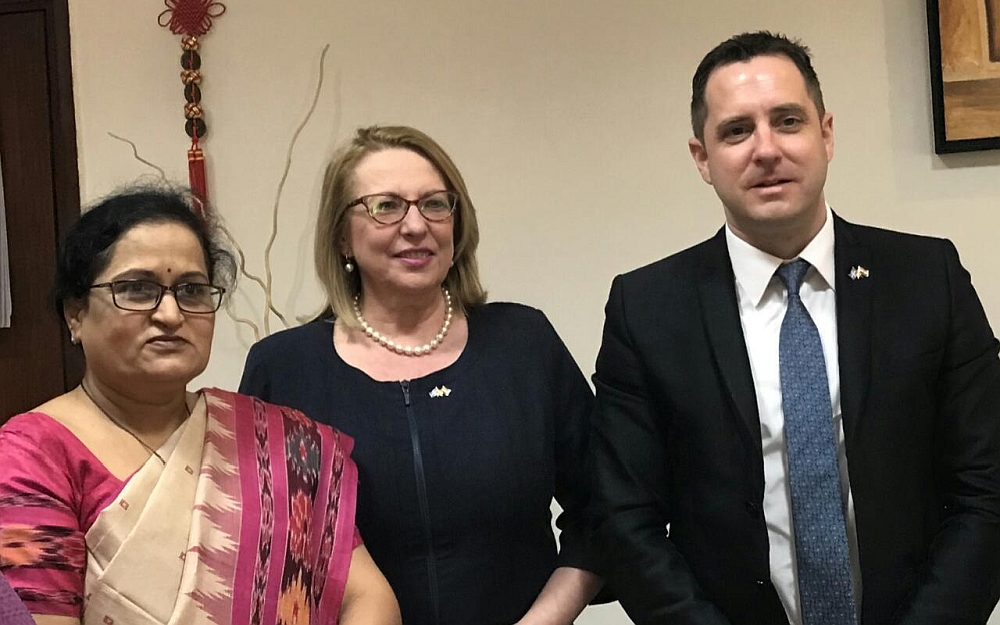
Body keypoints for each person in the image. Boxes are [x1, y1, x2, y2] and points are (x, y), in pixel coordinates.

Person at [590, 31, 1000, 625]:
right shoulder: (648, 309)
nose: (766, 149)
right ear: (702, 158)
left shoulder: (926, 277)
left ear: (825, 134)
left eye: (787, 121)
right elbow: (625, 519)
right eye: (736, 131)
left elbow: (986, 488)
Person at [239, 125, 604, 624]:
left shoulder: (523, 343)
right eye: (385, 206)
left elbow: (602, 511)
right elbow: (266, 553)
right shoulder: (283, 369)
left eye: (434, 204)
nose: (416, 225)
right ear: (342, 235)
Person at [0, 186, 401, 625]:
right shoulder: (30, 456)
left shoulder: (276, 443)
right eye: (137, 289)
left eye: (191, 291)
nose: (171, 314)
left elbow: (367, 597)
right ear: (75, 314)